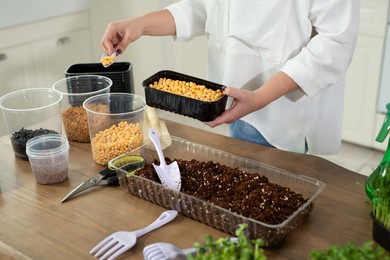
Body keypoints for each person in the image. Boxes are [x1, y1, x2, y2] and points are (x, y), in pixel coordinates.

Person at [101, 1, 360, 155]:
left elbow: (336, 41)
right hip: (232, 100)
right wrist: (139, 24)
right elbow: (204, 8)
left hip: (281, 115)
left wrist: (260, 98)